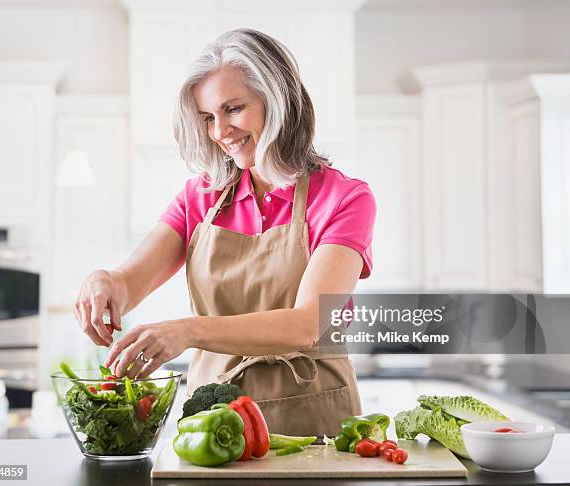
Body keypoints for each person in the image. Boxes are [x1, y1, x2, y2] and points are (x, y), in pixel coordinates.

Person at [74, 28, 376, 436]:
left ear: (278, 100)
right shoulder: (200, 197)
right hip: (216, 420)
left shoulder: (345, 198)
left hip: (315, 417)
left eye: (232, 109)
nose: (219, 132)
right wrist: (103, 282)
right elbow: (128, 284)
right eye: (207, 118)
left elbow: (307, 324)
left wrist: (188, 331)